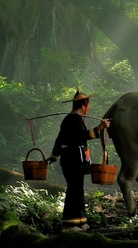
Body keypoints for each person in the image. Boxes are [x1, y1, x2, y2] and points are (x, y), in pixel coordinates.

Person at [47, 89, 110, 232]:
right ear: (83, 106)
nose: (89, 107)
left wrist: (54, 155)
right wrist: (99, 128)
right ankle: (69, 224)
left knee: (77, 189)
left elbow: (60, 139)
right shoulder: (73, 119)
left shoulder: (75, 119)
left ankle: (80, 222)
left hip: (75, 159)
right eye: (88, 104)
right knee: (73, 190)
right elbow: (81, 136)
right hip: (72, 159)